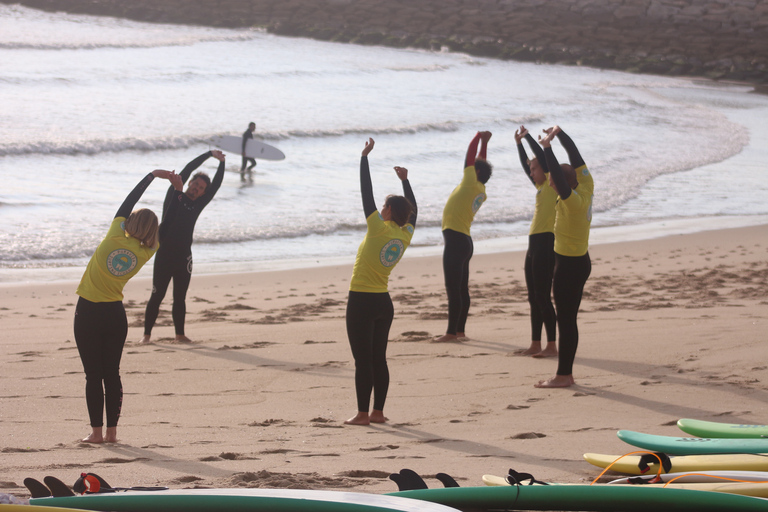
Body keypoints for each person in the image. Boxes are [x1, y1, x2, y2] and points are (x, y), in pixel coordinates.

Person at [75, 169, 181, 443]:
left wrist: (150, 177)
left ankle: (95, 433)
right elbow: (169, 223)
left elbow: (128, 201)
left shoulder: (115, 234)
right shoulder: (148, 251)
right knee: (112, 373)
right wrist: (177, 191)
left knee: (93, 375)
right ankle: (111, 434)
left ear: (131, 223)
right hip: (114, 315)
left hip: (87, 312)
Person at [345, 138, 417, 426]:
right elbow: (415, 213)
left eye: (384, 206)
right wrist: (406, 182)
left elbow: (366, 193)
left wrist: (364, 159)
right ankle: (378, 412)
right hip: (383, 303)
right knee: (379, 359)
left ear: (387, 211)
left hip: (361, 301)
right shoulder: (405, 235)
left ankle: (363, 414)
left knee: (363, 361)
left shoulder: (377, 228)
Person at [141, 150, 226, 344]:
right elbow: (187, 169)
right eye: (195, 183)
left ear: (204, 192)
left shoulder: (199, 204)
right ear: (188, 183)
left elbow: (217, 184)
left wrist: (221, 163)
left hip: (184, 258)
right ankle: (146, 336)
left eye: (201, 187)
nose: (197, 187)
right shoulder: (174, 194)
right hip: (163, 255)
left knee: (180, 297)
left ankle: (179, 335)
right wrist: (209, 154)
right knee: (157, 296)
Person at [534, 125, 594, 388]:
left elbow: (557, 172)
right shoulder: (587, 185)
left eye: (552, 178)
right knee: (568, 319)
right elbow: (575, 154)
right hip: (579, 262)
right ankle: (565, 373)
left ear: (558, 184)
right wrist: (559, 134)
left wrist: (547, 149)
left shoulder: (573, 202)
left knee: (566, 321)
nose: (548, 179)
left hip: (568, 268)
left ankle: (564, 375)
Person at [434, 131, 493, 343]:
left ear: (474, 171)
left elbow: (469, 158)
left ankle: (451, 333)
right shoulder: (480, 187)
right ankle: (459, 331)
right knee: (461, 288)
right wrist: (485, 144)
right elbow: (480, 163)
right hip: (465, 242)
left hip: (456, 241)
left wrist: (477, 137)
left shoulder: (470, 182)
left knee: (453, 288)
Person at [515, 125, 557, 357]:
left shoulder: (552, 182)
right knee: (533, 297)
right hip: (533, 245)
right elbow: (525, 166)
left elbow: (542, 157)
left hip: (547, 243)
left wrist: (528, 137)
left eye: (534, 169)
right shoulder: (541, 186)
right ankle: (535, 343)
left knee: (542, 296)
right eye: (531, 169)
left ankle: (551, 345)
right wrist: (518, 145)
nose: (531, 172)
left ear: (545, 169)